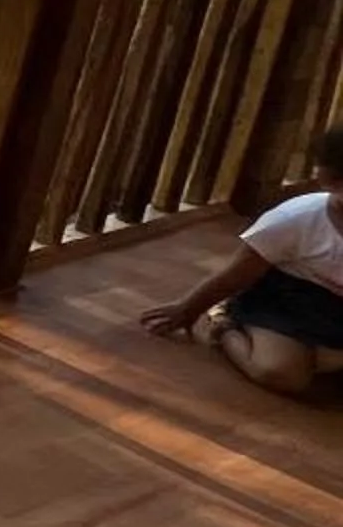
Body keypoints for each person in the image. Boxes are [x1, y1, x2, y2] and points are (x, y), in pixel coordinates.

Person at [140, 125, 343, 394]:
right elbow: (237, 273)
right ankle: (224, 326)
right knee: (281, 374)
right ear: (332, 182)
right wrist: (188, 308)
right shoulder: (296, 219)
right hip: (290, 302)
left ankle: (321, 357)